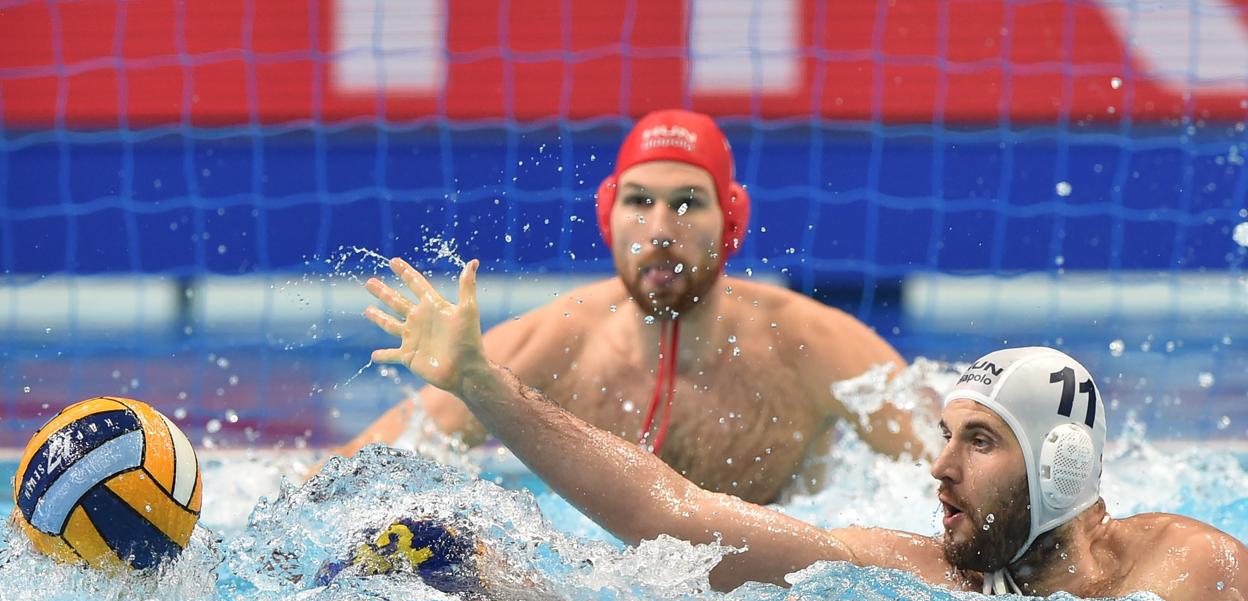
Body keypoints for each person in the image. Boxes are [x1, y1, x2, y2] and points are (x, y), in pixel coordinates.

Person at [360, 257, 1248, 601]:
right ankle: (510, 589)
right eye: (944, 436)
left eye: (979, 442)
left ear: (1061, 467)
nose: (937, 467)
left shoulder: (1192, 571)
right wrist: (480, 383)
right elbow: (674, 512)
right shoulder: (912, 573)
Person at [337, 109, 925, 504]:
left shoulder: (813, 345)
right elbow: (352, 477)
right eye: (639, 201)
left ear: (732, 222)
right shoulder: (549, 343)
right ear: (608, 218)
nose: (661, 229)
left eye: (688, 203)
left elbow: (947, 479)